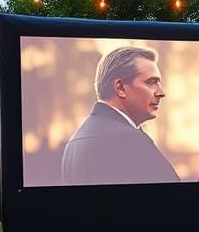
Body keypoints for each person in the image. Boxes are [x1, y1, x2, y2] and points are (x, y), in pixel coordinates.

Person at [60, 46, 179, 185]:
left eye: (159, 83)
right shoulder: (128, 139)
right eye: (151, 82)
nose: (161, 92)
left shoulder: (76, 140)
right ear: (120, 88)